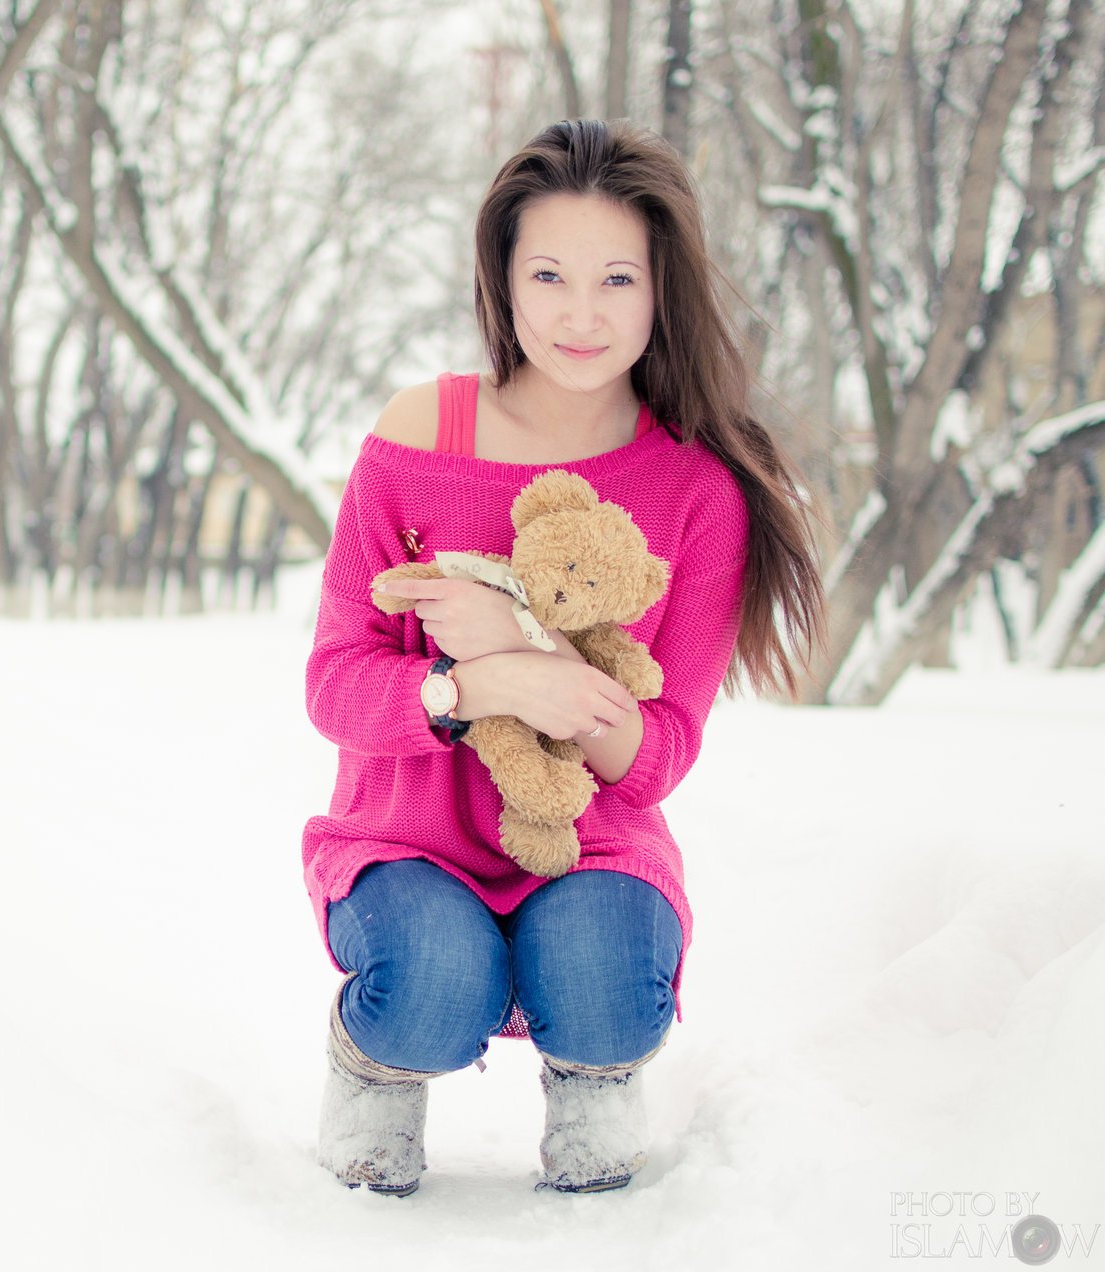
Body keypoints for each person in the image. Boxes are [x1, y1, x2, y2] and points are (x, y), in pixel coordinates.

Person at [302, 119, 825, 1199]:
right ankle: (375, 1061)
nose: (580, 315)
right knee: (435, 980)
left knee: (604, 979)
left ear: (659, 290)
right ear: (502, 279)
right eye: (548, 274)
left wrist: (537, 658)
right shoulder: (421, 432)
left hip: (589, 844)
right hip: (407, 838)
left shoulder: (696, 490)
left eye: (616, 279)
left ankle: (593, 1072)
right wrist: (474, 686)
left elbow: (659, 752)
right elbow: (335, 681)